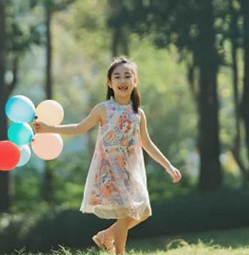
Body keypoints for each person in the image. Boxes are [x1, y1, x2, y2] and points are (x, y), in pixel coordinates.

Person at [33, 56, 182, 254]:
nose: (122, 81)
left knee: (143, 211)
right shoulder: (104, 109)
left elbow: (146, 143)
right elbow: (79, 128)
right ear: (110, 83)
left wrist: (168, 166)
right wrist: (48, 128)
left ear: (135, 81)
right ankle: (119, 252)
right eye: (117, 77)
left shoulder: (138, 114)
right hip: (109, 170)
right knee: (123, 214)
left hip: (129, 171)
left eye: (127, 76)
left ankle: (106, 236)